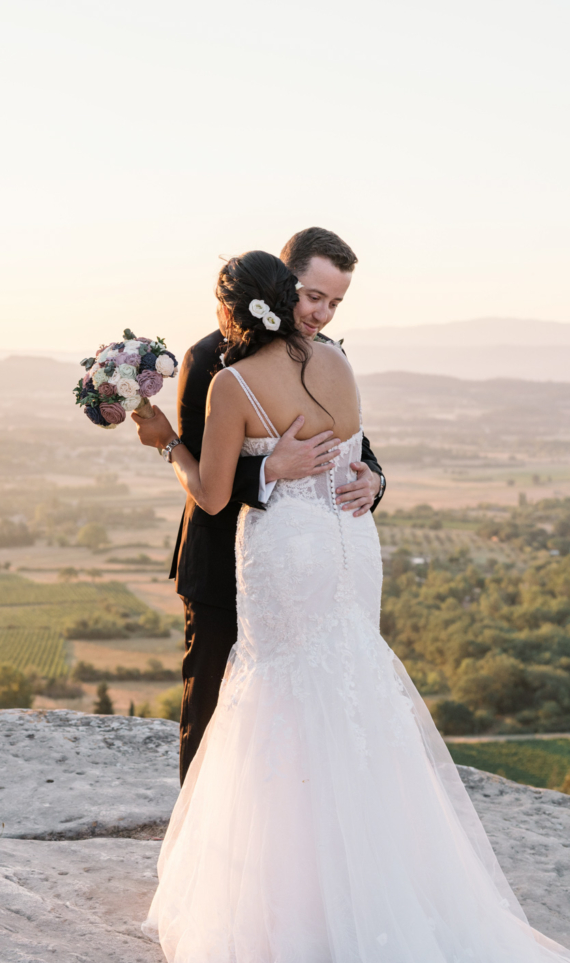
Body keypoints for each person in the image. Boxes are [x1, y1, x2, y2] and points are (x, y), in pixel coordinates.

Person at [141, 250, 570, 963]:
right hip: (350, 544)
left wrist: (163, 441)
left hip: (290, 546)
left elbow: (215, 496)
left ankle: (288, 904)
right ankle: (382, 886)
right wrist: (344, 474)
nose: (321, 310)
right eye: (312, 296)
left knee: (280, 696)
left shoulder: (229, 381)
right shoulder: (337, 364)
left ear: (231, 311)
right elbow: (351, 450)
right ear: (287, 297)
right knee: (351, 686)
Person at [133, 227, 385, 782]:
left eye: (334, 303)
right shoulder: (206, 362)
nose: (320, 315)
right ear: (282, 280)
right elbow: (213, 474)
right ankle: (203, 851)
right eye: (313, 297)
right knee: (212, 713)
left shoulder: (330, 357)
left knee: (304, 709)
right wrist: (270, 470)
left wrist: (375, 482)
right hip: (227, 567)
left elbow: (354, 448)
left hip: (309, 568)